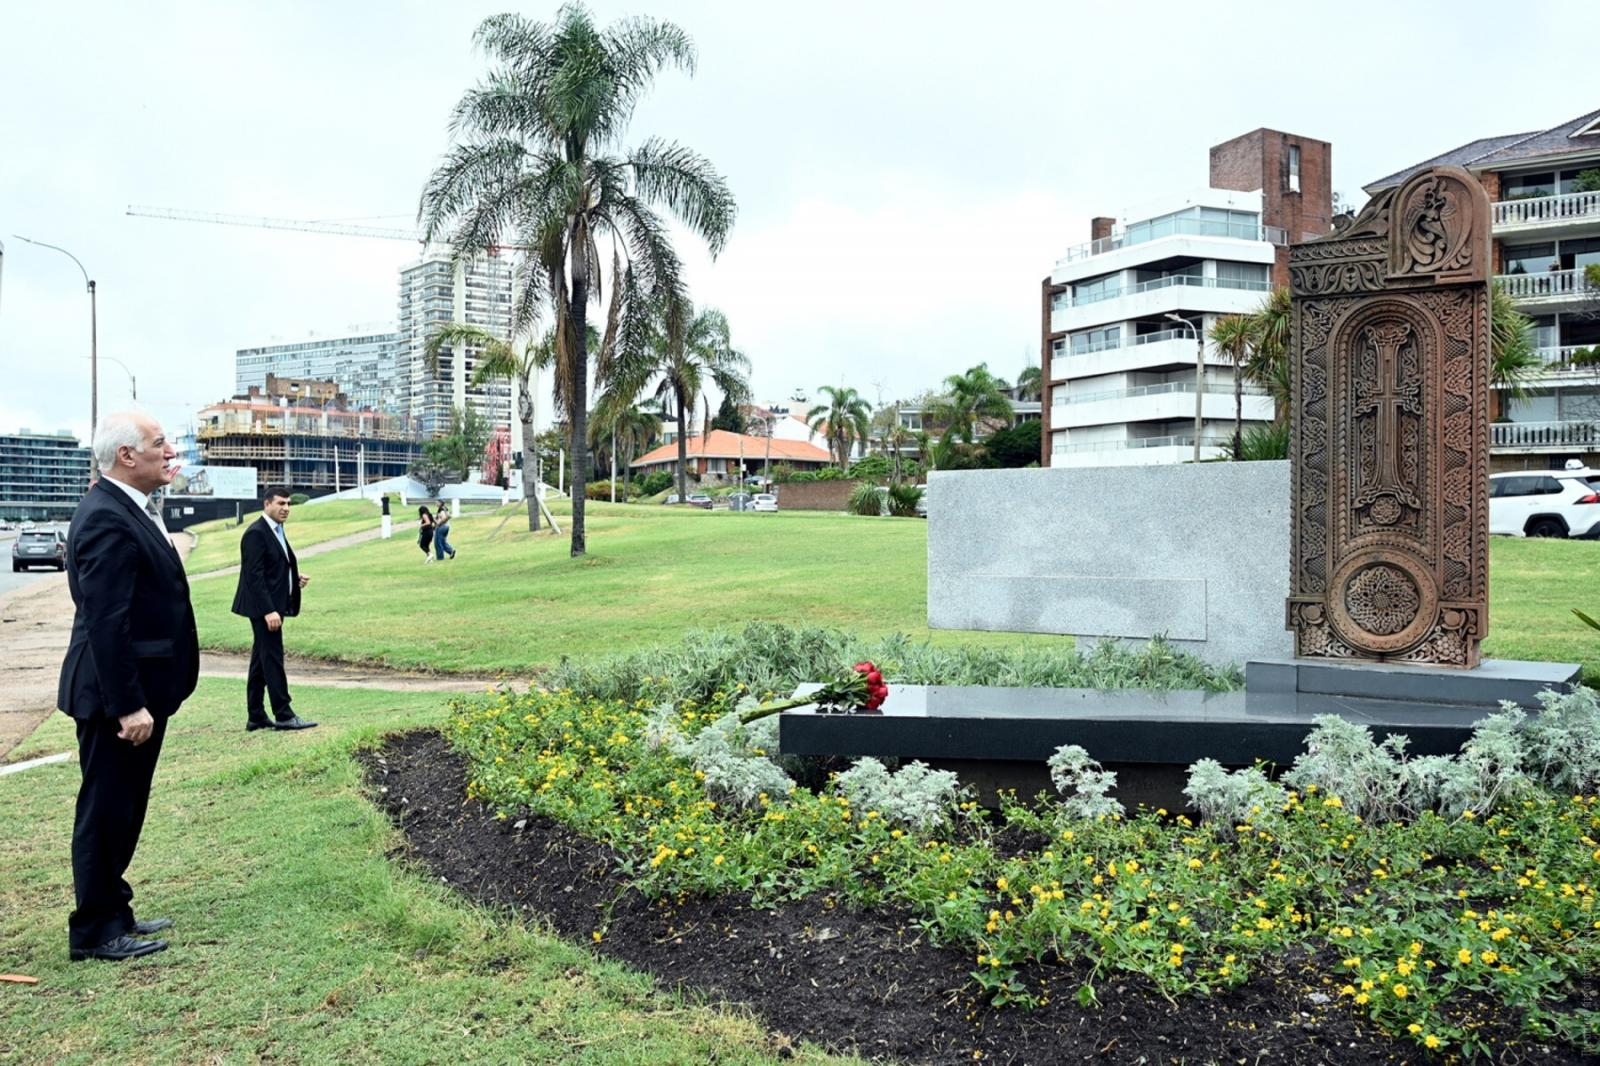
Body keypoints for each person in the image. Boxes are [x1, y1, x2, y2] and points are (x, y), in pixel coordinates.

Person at [57, 411, 198, 962]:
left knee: (125, 807)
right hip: (116, 701)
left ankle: (115, 907)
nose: (170, 451)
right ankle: (94, 928)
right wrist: (128, 706)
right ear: (126, 456)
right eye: (159, 443)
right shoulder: (105, 518)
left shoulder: (130, 507)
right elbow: (105, 621)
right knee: (106, 808)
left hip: (140, 693)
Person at [231, 487, 316, 732]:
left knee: (260, 660)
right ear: (267, 504)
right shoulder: (256, 533)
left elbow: (272, 566)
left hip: (273, 605)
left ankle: (256, 715)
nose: (286, 508)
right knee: (272, 659)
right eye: (281, 503)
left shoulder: (276, 530)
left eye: (289, 504)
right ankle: (284, 714)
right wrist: (269, 610)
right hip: (264, 609)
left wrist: (292, 578)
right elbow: (253, 576)